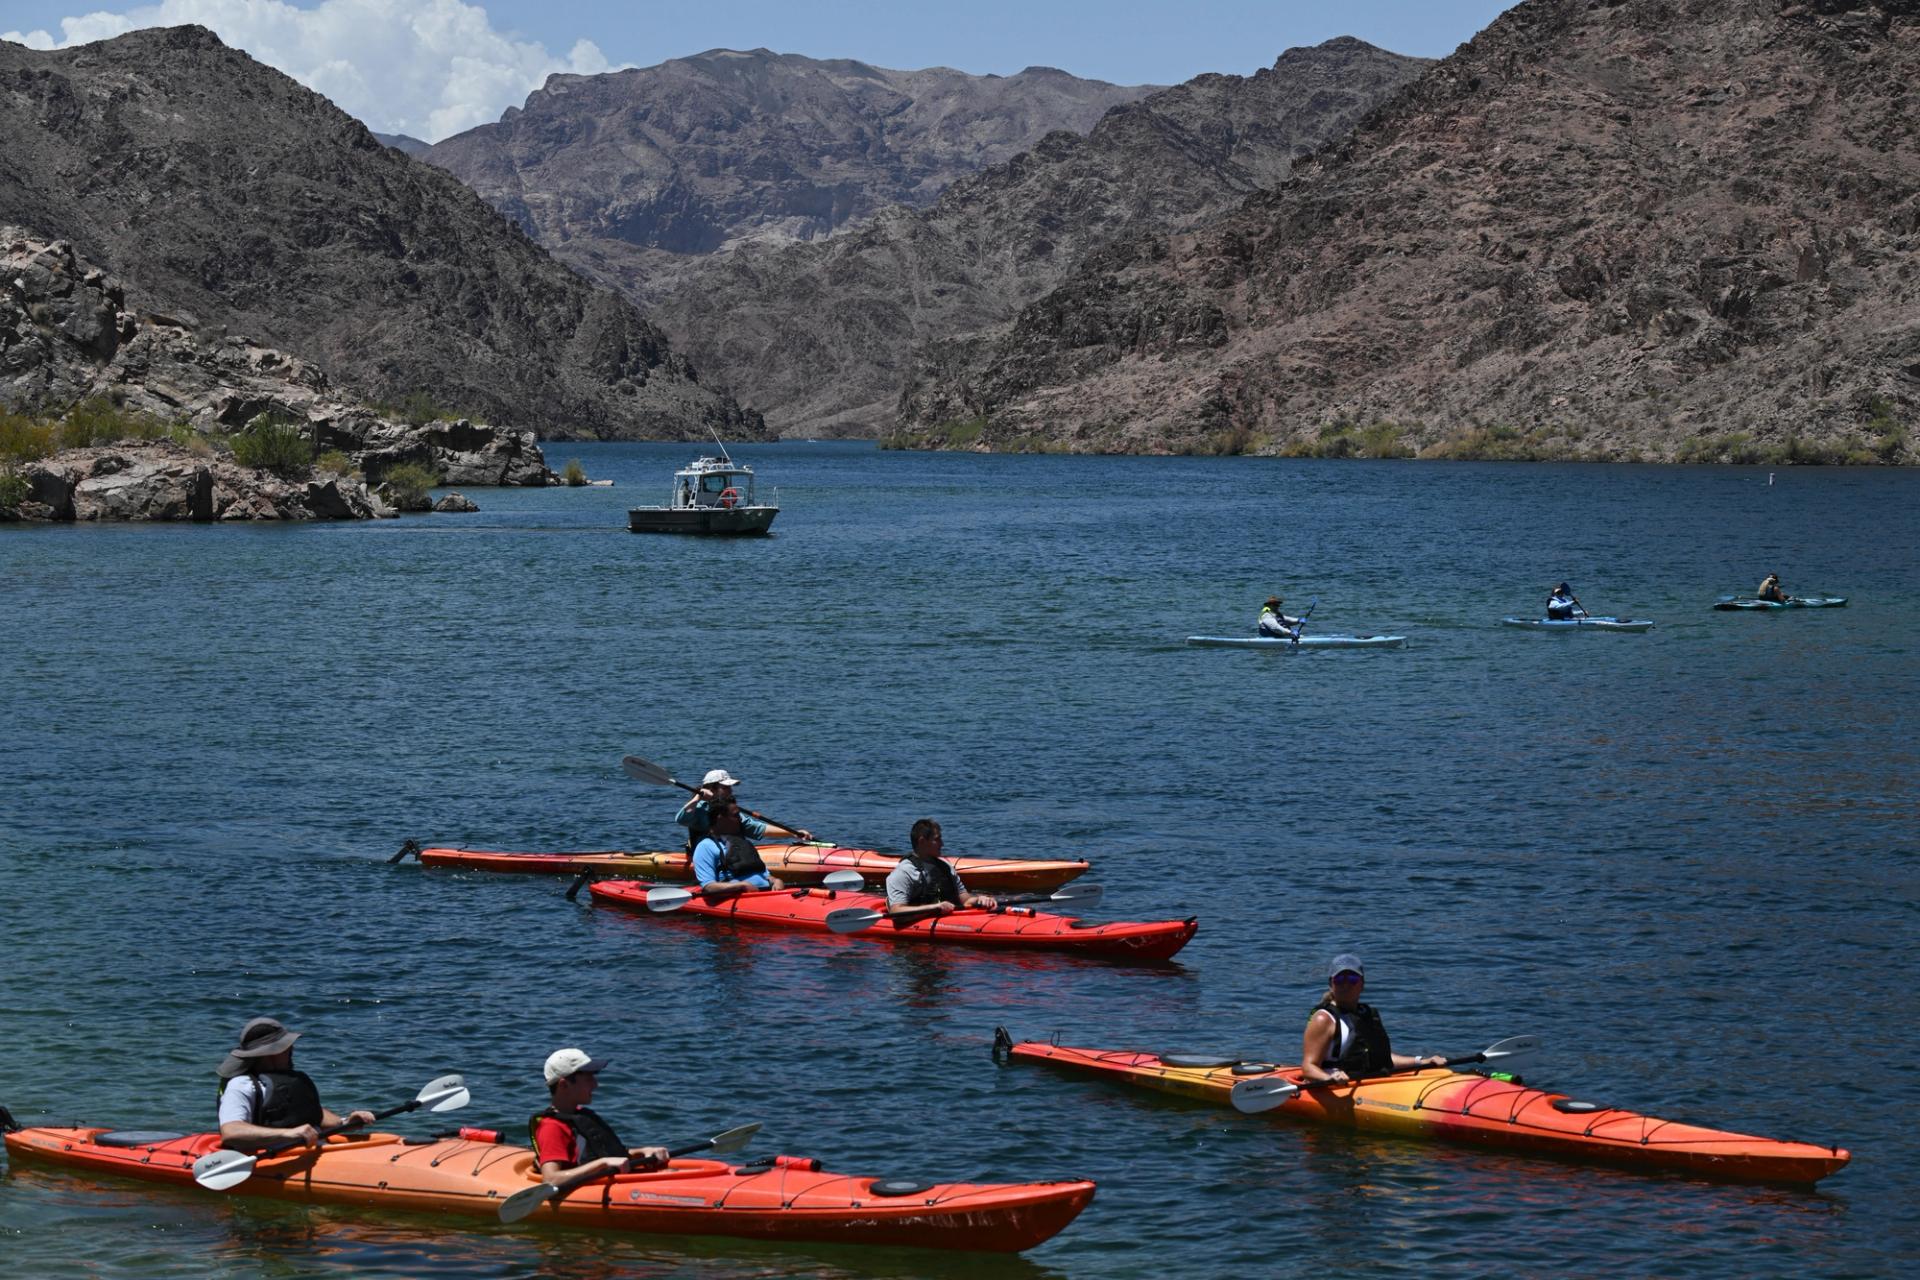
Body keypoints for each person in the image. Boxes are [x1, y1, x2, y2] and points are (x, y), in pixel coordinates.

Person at [216, 1016, 373, 1150]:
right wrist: (288, 1133)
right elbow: (231, 1131)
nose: (292, 1050)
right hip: (275, 1160)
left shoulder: (292, 1082)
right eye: (287, 1047)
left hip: (314, 1152)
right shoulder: (242, 1085)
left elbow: (316, 1119)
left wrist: (348, 1122)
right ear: (271, 1053)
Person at [530, 1049, 669, 1192]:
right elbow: (551, 1180)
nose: (595, 1085)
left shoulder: (581, 1117)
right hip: (588, 1191)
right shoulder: (552, 1127)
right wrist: (602, 1164)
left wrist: (642, 1152)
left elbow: (604, 1154)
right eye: (588, 1079)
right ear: (564, 1085)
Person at [1300, 955, 1448, 1084]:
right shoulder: (1323, 1018)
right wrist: (1328, 1078)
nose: (1346, 984)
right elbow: (1308, 1067)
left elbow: (1381, 1057)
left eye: (1352, 979)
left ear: (1362, 984)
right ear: (1331, 984)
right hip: (1337, 1085)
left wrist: (1421, 1061)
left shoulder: (1367, 1014)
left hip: (1371, 1082)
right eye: (1339, 979)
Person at [885, 818, 997, 923]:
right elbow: (896, 912)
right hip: (921, 928)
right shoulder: (904, 872)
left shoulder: (945, 866)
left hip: (951, 920)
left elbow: (966, 900)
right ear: (922, 841)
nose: (942, 844)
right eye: (937, 839)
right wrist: (935, 907)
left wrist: (979, 900)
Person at [675, 768, 809, 851]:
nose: (731, 791)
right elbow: (680, 819)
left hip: (732, 850)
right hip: (707, 853)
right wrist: (697, 798)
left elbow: (757, 828)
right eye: (726, 787)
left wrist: (793, 833)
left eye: (730, 787)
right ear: (712, 788)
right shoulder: (698, 808)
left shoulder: (730, 810)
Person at [691, 799, 784, 897]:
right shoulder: (705, 847)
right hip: (740, 898)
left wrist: (776, 881)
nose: (740, 819)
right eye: (736, 815)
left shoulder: (743, 842)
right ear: (720, 818)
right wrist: (741, 886)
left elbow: (766, 875)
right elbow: (708, 887)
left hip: (768, 893)